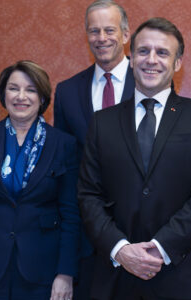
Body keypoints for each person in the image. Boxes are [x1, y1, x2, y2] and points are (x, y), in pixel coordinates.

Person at [77, 17, 191, 300]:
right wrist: (120, 248)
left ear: (178, 63)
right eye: (143, 51)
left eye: (163, 53)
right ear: (131, 58)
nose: (151, 60)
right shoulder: (102, 122)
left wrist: (160, 246)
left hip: (180, 273)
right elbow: (88, 195)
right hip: (116, 276)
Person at [0, 61, 80, 300]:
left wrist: (65, 273)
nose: (21, 96)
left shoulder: (64, 145)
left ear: (43, 97)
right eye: (14, 88)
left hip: (42, 272)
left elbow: (71, 215)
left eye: (31, 90)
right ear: (3, 94)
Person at [53, 1, 134, 298]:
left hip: (141, 234)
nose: (102, 38)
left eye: (109, 30)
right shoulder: (67, 91)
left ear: (125, 35)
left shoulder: (151, 82)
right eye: (94, 31)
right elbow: (64, 166)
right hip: (87, 239)